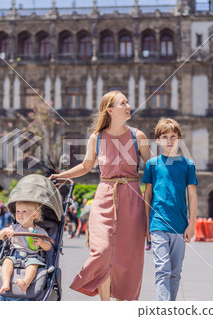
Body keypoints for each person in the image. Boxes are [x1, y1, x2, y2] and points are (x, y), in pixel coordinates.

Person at [49, 91, 152, 301]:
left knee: (129, 258)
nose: (129, 105)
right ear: (110, 110)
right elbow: (87, 166)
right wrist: (61, 176)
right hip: (104, 198)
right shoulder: (96, 137)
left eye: (128, 101)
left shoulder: (137, 136)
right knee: (102, 252)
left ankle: (125, 302)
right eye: (123, 102)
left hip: (132, 199)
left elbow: (155, 168)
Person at [142, 118, 198, 301]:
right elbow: (147, 195)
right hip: (158, 224)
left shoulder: (188, 165)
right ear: (157, 140)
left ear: (179, 138)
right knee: (162, 269)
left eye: (173, 136)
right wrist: (146, 224)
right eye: (164, 137)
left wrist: (192, 225)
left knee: (175, 273)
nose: (169, 141)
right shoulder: (152, 164)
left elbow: (192, 195)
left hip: (180, 226)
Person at [0, 201, 51, 293]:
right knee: (7, 261)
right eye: (17, 211)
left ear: (34, 215)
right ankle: (5, 282)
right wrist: (5, 231)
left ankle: (26, 282)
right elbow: (0, 236)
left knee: (33, 265)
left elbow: (48, 247)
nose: (20, 214)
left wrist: (41, 243)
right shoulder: (13, 228)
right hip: (15, 255)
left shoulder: (39, 231)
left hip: (32, 256)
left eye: (24, 211)